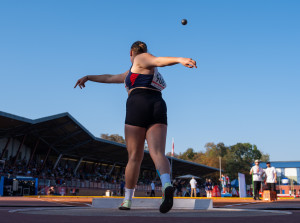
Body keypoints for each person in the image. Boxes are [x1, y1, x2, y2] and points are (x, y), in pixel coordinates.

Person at [74, 41, 197, 213]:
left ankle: (127, 200)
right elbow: (109, 78)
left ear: (131, 52)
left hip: (138, 104)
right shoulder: (131, 72)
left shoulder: (140, 58)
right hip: (157, 105)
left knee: (134, 157)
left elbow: (159, 60)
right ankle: (167, 184)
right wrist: (89, 77)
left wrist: (180, 59)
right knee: (157, 153)